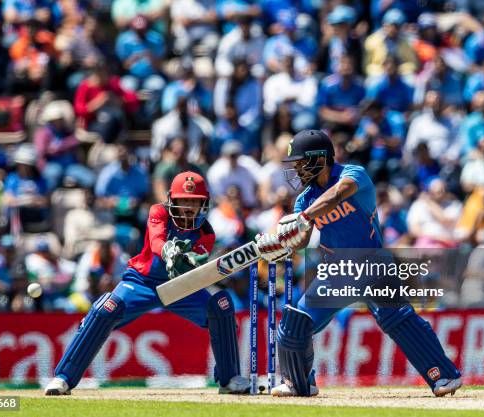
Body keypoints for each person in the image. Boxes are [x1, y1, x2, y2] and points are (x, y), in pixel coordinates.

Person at [255, 130, 462, 397]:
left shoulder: (353, 174)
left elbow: (337, 195)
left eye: (300, 162)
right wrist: (278, 243)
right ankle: (299, 382)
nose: (296, 169)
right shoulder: (304, 199)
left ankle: (443, 376)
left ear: (320, 159)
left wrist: (304, 216)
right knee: (296, 323)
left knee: (396, 318)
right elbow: (302, 239)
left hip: (371, 263)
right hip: (336, 273)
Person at [45, 171, 250, 395]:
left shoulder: (206, 231)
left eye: (195, 201)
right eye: (185, 200)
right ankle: (63, 378)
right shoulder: (158, 211)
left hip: (182, 285)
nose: (189, 206)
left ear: (204, 203)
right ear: (174, 200)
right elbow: (156, 240)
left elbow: (198, 261)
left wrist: (188, 260)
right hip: (143, 282)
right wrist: (167, 251)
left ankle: (229, 379)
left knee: (219, 307)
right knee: (106, 309)